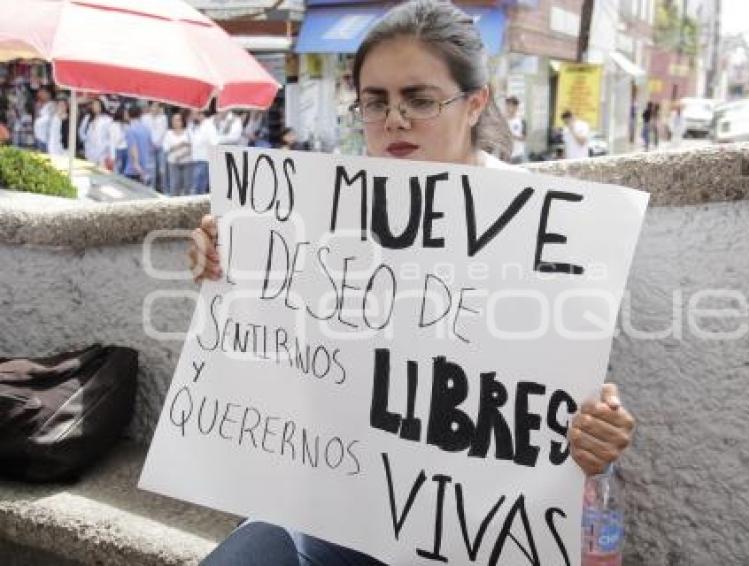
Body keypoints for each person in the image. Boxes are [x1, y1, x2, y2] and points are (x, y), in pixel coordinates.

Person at [191, 2, 635, 563]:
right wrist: (229, 275)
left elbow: (559, 401)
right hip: (341, 514)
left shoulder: (546, 229)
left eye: (420, 100)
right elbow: (279, 372)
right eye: (375, 102)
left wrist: (597, 437)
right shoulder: (320, 211)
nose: (394, 119)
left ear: (476, 104)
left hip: (478, 533)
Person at [162, 111, 193, 196]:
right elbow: (166, 148)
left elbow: (192, 146)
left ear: (182, 121)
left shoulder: (188, 132)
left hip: (187, 161)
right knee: (174, 185)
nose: (176, 122)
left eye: (178, 120)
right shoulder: (168, 133)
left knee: (187, 185)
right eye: (174, 120)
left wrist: (182, 153)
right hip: (173, 162)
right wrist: (181, 144)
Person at [188, 108, 218, 194]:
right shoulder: (195, 126)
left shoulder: (209, 126)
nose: (192, 116)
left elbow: (214, 142)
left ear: (200, 114)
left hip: (204, 159)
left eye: (194, 114)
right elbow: (192, 140)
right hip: (195, 158)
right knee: (197, 185)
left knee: (198, 186)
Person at [123, 105, 155, 184]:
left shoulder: (130, 130)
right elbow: (151, 146)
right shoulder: (146, 128)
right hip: (146, 165)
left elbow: (133, 148)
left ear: (128, 114)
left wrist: (136, 164)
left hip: (134, 169)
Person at [142, 101, 169, 190]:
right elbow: (144, 132)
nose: (155, 108)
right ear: (149, 107)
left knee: (162, 170)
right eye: (153, 106)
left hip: (160, 146)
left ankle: (164, 189)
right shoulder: (144, 118)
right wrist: (151, 143)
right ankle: (151, 188)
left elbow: (163, 131)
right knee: (151, 170)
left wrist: (156, 143)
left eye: (157, 106)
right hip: (149, 147)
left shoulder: (163, 118)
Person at [79, 98, 113, 168]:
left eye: (97, 105)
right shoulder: (88, 117)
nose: (95, 107)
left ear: (102, 106)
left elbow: (111, 136)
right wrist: (86, 140)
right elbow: (81, 131)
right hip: (89, 150)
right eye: (94, 105)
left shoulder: (107, 119)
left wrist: (109, 150)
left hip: (103, 152)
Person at [505, 95, 526, 164]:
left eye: (510, 105)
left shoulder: (521, 121)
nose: (508, 107)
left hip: (518, 155)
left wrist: (513, 136)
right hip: (506, 155)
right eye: (507, 105)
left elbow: (524, 138)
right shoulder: (503, 121)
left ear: (516, 107)